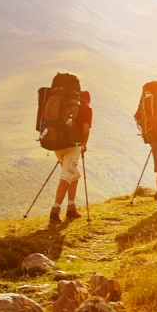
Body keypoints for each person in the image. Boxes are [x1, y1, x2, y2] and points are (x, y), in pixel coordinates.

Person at [49, 90, 92, 224]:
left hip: (57, 144)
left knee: (74, 174)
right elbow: (85, 130)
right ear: (88, 99)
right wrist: (83, 145)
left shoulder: (65, 105)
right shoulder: (86, 108)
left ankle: (71, 207)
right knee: (67, 176)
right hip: (73, 145)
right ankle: (55, 211)